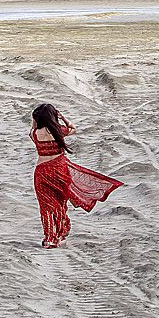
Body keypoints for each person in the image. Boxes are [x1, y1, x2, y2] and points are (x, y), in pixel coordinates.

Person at [30, 103, 124, 248]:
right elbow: (74, 128)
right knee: (60, 203)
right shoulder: (58, 130)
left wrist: (35, 120)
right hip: (59, 171)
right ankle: (60, 235)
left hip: (42, 172)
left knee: (46, 206)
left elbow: (32, 129)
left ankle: (50, 239)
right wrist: (62, 118)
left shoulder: (35, 134)